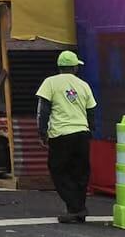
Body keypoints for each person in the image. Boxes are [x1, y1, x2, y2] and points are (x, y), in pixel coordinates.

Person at [36, 51, 98, 224]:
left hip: (61, 134)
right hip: (82, 133)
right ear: (74, 67)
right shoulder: (84, 85)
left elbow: (43, 110)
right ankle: (77, 208)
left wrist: (42, 132)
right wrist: (91, 130)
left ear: (59, 67)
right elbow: (91, 111)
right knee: (80, 172)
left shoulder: (50, 83)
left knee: (58, 171)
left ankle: (76, 207)